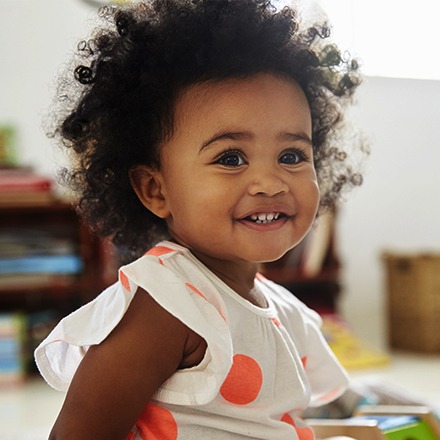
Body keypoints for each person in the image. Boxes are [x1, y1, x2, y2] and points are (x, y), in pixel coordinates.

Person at [35, 0, 366, 438]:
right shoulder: (168, 305)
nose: (270, 182)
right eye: (231, 157)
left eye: (291, 155)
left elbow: (266, 428)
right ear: (156, 190)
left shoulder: (286, 312)